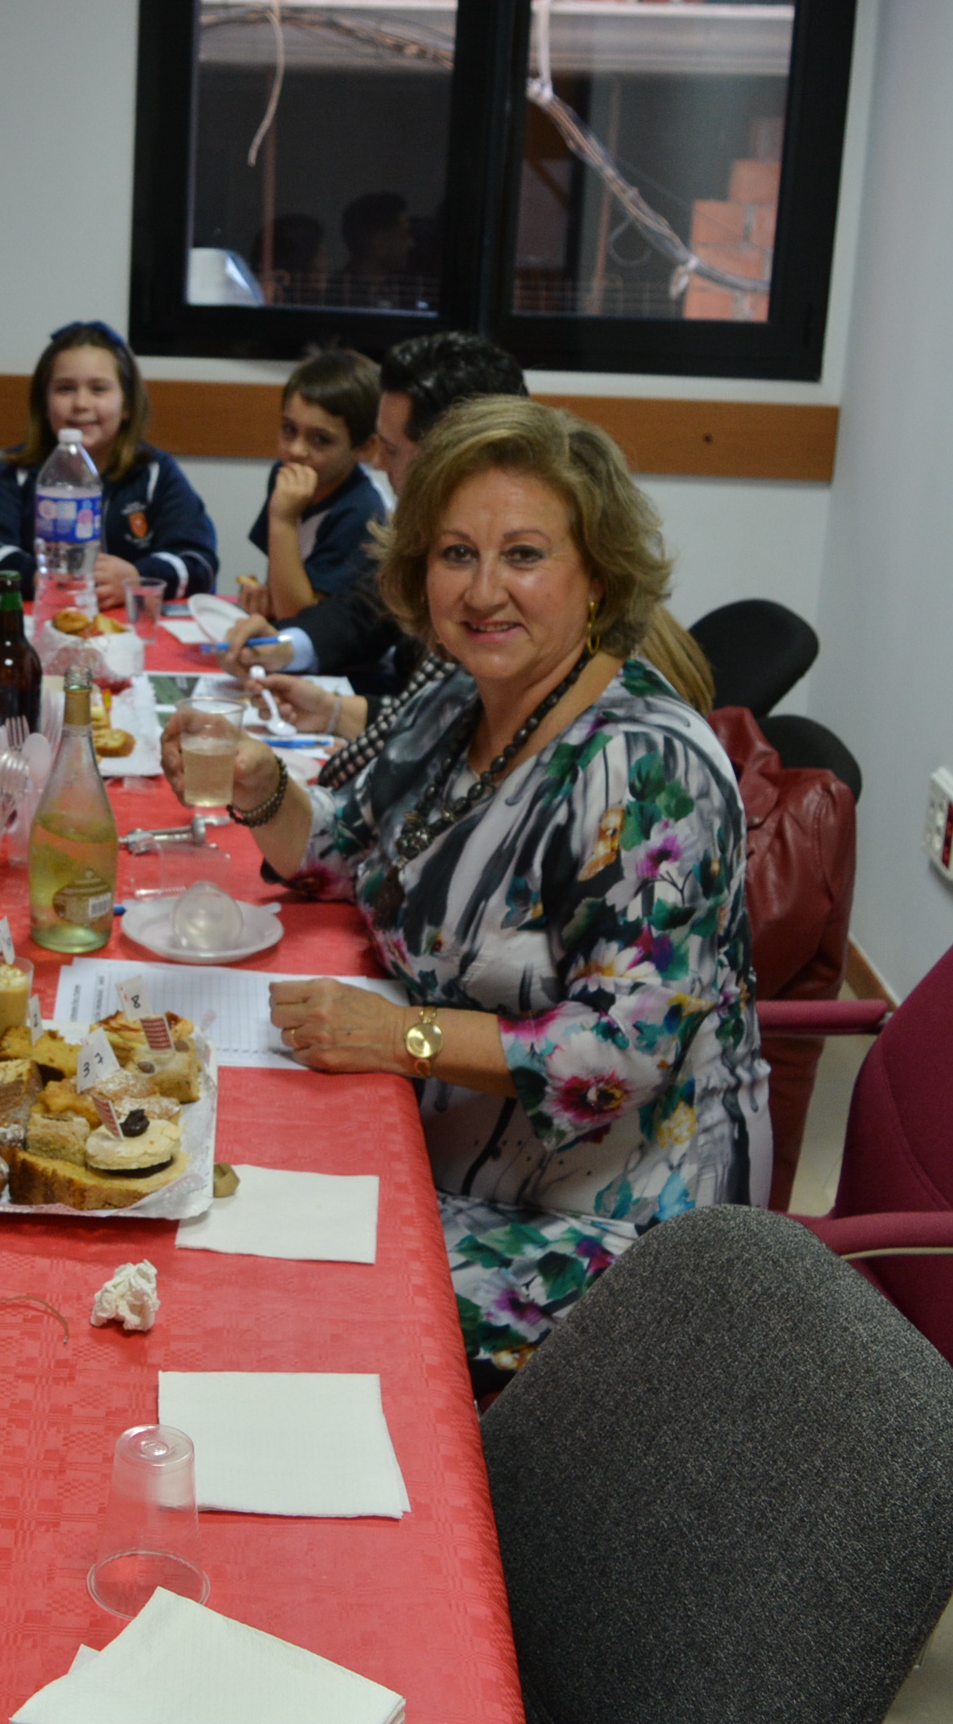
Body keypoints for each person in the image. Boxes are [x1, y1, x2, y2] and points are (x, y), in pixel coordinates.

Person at [165, 399, 761, 1391]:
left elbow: (615, 1055)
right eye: (454, 554)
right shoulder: (461, 693)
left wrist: (397, 1036)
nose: (484, 591)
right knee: (201, 1196)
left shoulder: (645, 769)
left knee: (265, 1294)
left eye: (523, 554)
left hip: (607, 1229)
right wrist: (263, 789)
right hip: (443, 1148)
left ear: (597, 574)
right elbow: (344, 843)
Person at [227, 329, 524, 687]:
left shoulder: (521, 554)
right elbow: (367, 611)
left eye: (392, 450)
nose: (379, 463)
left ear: (451, 453)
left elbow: (458, 716)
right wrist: (282, 647)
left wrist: (341, 712)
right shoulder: (423, 524)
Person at [0, 321, 217, 605]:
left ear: (127, 405)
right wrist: (35, 577)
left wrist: (136, 577)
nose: (81, 403)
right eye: (65, 389)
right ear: (44, 404)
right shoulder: (16, 470)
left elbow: (198, 560)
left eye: (98, 389)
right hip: (42, 620)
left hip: (126, 629)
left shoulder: (156, 473)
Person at [237, 347, 389, 622]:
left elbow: (304, 619)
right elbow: (283, 584)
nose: (296, 450)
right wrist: (265, 595)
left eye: (320, 440)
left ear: (366, 448)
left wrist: (283, 521)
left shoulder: (362, 511)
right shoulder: (283, 476)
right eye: (288, 429)